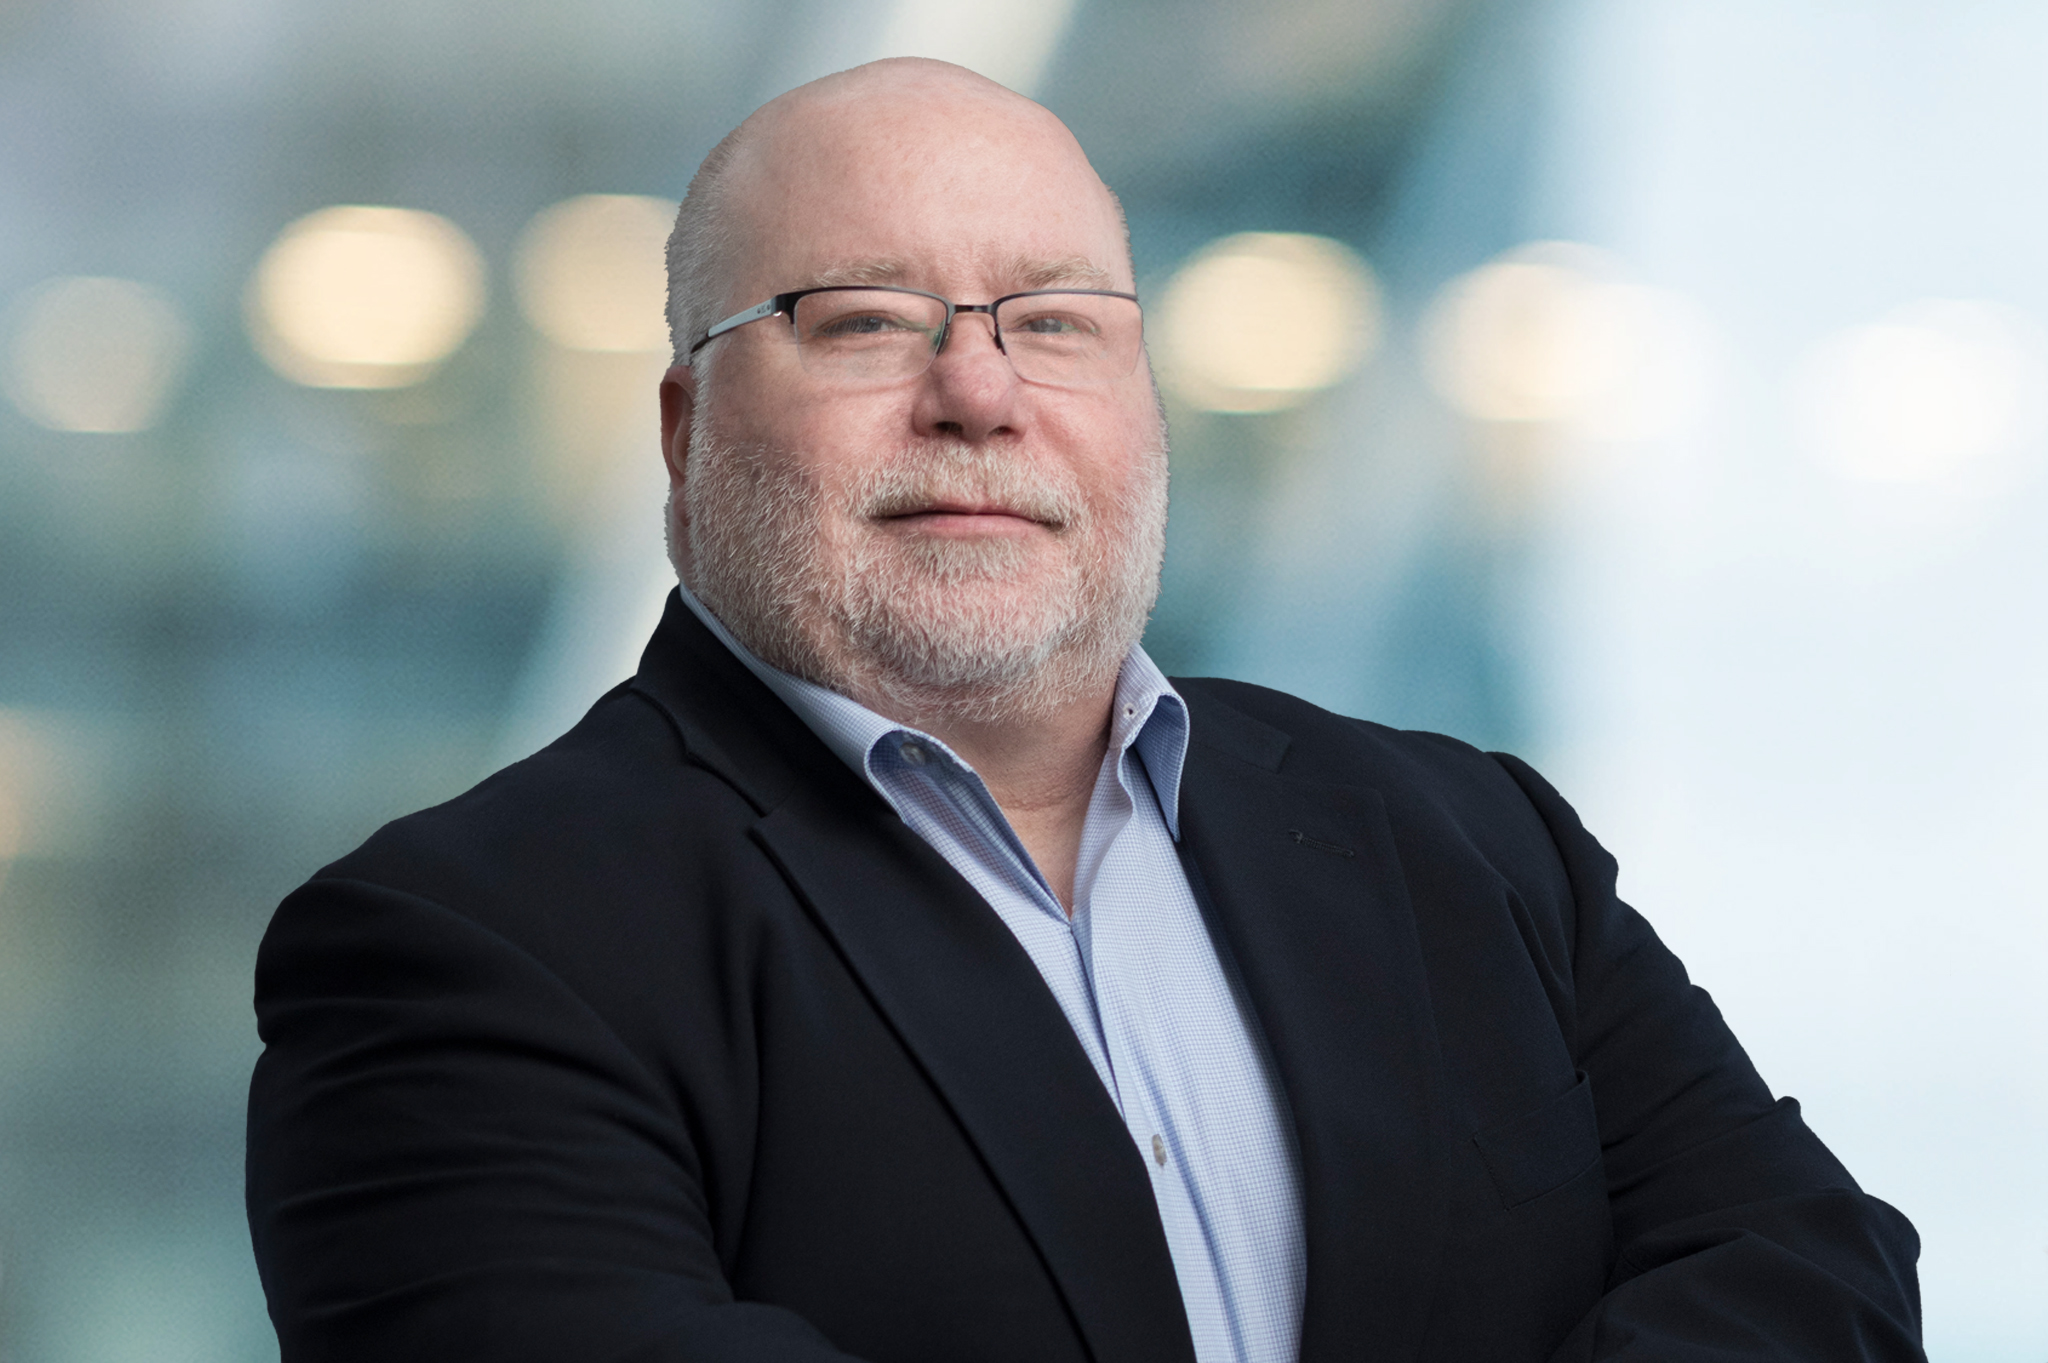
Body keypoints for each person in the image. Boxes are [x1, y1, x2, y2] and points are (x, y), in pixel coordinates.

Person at [245, 58, 1924, 1363]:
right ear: (687, 433)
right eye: (866, 321)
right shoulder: (462, 948)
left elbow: (1815, 1280)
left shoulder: (1468, 838)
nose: (978, 392)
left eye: (1054, 322)